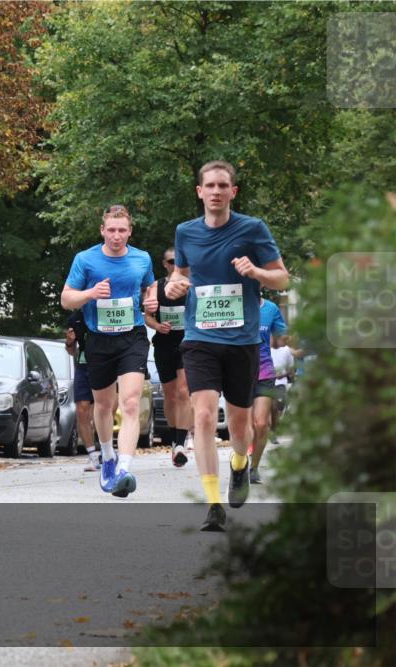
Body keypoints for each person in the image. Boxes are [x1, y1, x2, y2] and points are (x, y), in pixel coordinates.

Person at [166, 161, 289, 531]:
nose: (216, 191)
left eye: (223, 185)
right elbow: (181, 274)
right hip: (201, 338)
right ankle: (213, 503)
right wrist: (174, 286)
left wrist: (256, 272)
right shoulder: (185, 232)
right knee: (202, 415)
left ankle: (239, 463)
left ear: (232, 192)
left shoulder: (252, 229)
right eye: (210, 186)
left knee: (240, 427)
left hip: (243, 342)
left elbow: (282, 277)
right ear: (199, 192)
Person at [61, 204, 157, 498]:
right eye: (111, 230)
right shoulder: (86, 260)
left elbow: (149, 286)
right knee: (104, 406)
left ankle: (125, 468)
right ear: (103, 230)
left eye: (122, 230)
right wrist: (90, 294)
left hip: (133, 337)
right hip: (99, 340)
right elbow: (66, 299)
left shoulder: (142, 258)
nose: (117, 236)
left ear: (130, 231)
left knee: (129, 403)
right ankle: (107, 457)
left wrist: (151, 300)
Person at [145, 247, 192, 468]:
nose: (175, 265)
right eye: (171, 262)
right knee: (170, 395)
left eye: (179, 262)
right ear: (165, 264)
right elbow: (147, 316)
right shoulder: (156, 287)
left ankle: (181, 442)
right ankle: (175, 440)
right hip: (164, 344)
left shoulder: (192, 286)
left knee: (184, 391)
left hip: (188, 344)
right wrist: (157, 326)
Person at [249, 296, 287, 483]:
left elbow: (282, 336)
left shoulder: (270, 308)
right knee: (244, 426)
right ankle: (240, 462)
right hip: (239, 373)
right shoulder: (234, 302)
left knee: (261, 424)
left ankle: (253, 468)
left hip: (264, 370)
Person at [64, 309, 98, 471]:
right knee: (82, 411)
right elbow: (71, 351)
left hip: (105, 365)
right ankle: (92, 456)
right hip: (83, 367)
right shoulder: (75, 318)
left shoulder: (104, 310)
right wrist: (69, 342)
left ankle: (106, 451)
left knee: (104, 410)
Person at [269, 334, 295, 440]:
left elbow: (291, 368)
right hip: (267, 382)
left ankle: (274, 432)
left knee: (278, 407)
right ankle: (270, 430)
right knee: (269, 408)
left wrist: (284, 375)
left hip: (281, 383)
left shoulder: (287, 350)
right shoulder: (266, 350)